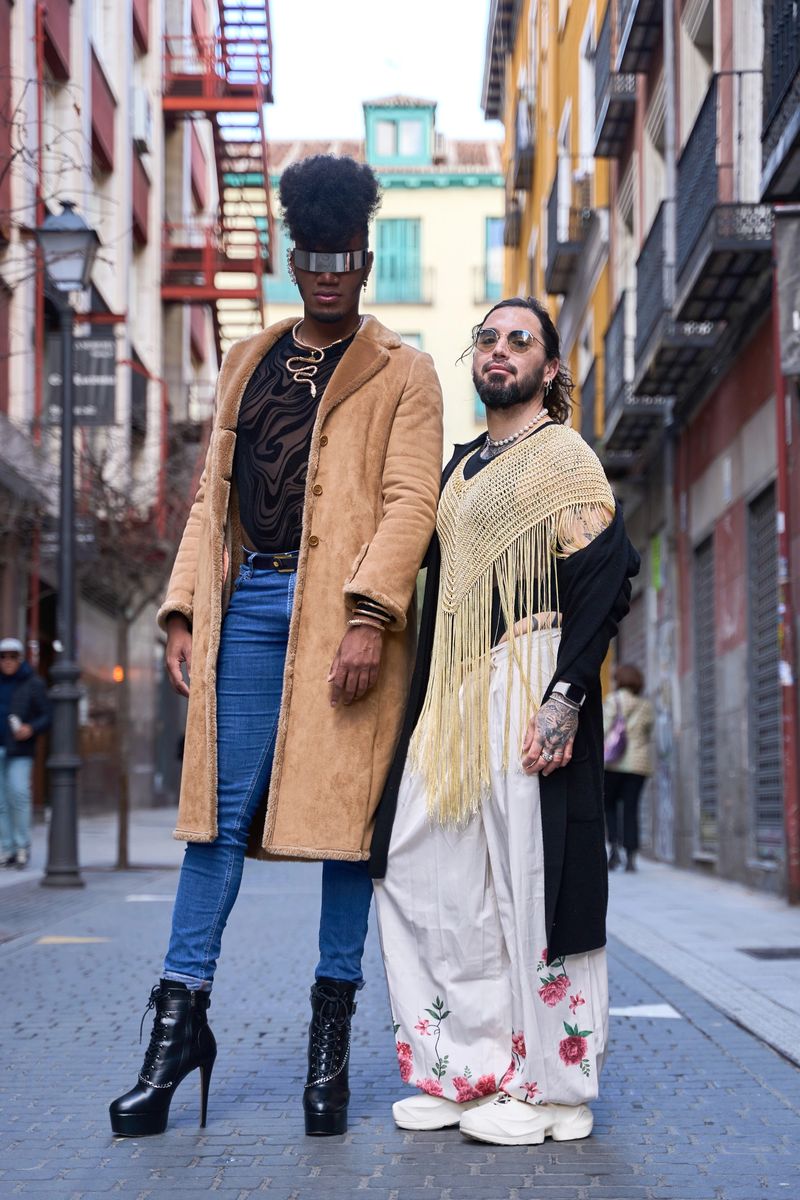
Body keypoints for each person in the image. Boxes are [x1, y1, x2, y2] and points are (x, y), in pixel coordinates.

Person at [109, 155, 443, 1139]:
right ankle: (178, 1031)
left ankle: (328, 1045)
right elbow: (210, 500)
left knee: (347, 832)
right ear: (294, 260)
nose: (329, 273)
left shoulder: (405, 371)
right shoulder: (247, 360)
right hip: (247, 605)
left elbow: (410, 503)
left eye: (346, 256)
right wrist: (182, 609)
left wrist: (371, 615)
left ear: (365, 259)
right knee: (214, 824)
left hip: (342, 616)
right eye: (314, 256)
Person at [371, 297, 639, 1146]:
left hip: (531, 676)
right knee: (424, 870)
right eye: (487, 338)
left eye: (520, 340)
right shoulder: (459, 468)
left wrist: (565, 699)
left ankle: (557, 1088)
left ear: (549, 369)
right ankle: (469, 1067)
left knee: (534, 882)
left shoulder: (565, 456)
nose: (500, 349)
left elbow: (608, 580)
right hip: (453, 694)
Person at [0, 637, 51, 869]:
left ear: (20, 658)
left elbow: (47, 715)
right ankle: (6, 848)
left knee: (19, 794)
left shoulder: (33, 683)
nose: (7, 661)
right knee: (1, 801)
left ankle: (22, 847)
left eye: (12, 656)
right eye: (3, 656)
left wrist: (30, 728)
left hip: (20, 749)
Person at [603, 663, 653, 872]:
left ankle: (614, 850)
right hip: (638, 766)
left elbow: (604, 728)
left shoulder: (613, 700)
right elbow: (648, 732)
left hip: (613, 763)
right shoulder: (645, 705)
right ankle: (631, 857)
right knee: (631, 809)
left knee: (610, 806)